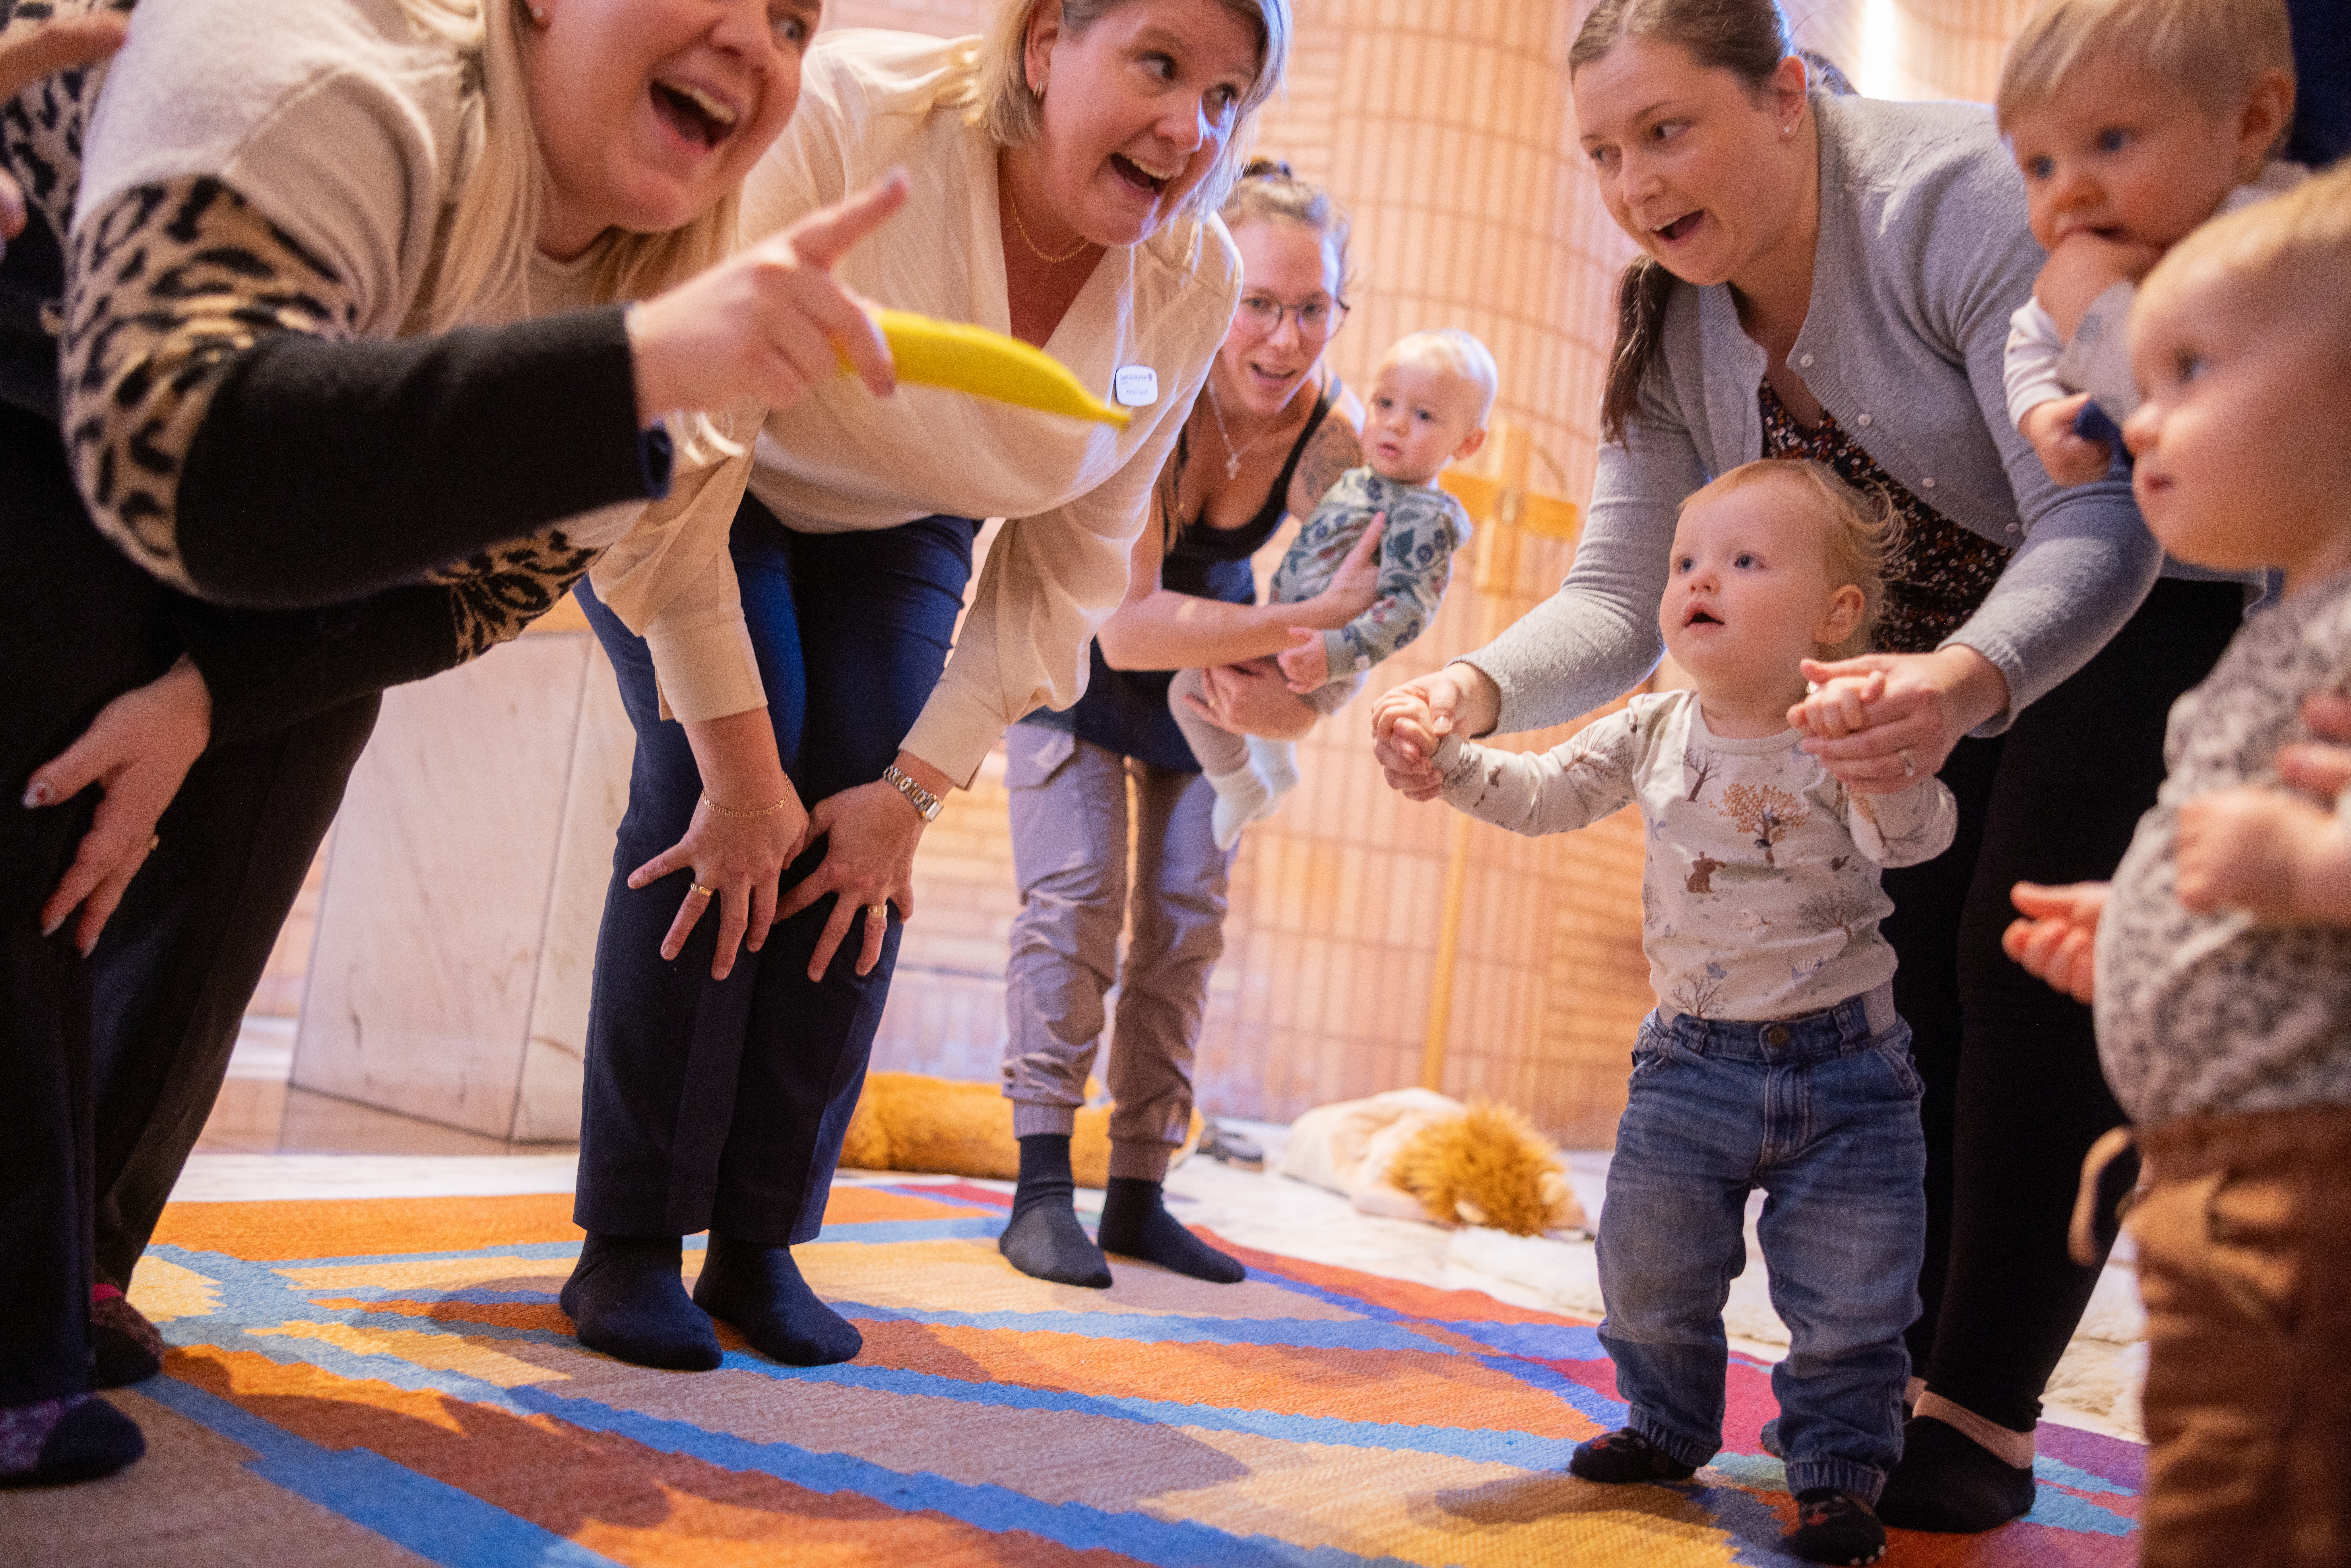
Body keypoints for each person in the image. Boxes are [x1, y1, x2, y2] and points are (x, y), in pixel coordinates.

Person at [2, 0, 909, 1487]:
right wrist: (620, 370)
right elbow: (174, 450)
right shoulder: (329, 77)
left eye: (797, 18)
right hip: (49, 295)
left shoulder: (641, 288)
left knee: (293, 730)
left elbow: (471, 598)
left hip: (225, 421)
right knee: (47, 716)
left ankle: (82, 1247)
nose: (756, 39)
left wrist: (206, 701)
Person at [1371, 0, 2248, 1532]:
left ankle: (1980, 1400)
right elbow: (1619, 590)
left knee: (2015, 957)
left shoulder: (1950, 200)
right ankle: (1888, 1366)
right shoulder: (1674, 313)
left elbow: (2104, 513)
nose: (1636, 183)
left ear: (1785, 94)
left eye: (1668, 131)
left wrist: (1973, 675)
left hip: (2133, 599)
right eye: (1603, 154)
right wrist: (1472, 685)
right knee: (1892, 988)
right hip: (1901, 661)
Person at [554, 0, 1293, 1376]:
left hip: (902, 529)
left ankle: (761, 1239)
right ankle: (634, 1238)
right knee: (722, 788)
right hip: (701, 476)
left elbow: (1071, 563)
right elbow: (684, 436)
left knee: (856, 829)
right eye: (1158, 65)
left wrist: (914, 786)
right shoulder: (847, 117)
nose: (1192, 128)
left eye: (1227, 96)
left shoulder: (1188, 276)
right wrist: (736, 764)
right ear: (1042, 45)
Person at [1383, 457, 1955, 1565]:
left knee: (1853, 1302)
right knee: (1647, 1273)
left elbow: (1918, 838)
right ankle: (1667, 1422)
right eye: (1687, 560)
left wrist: (1880, 768)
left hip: (1851, 1073)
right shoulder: (1653, 729)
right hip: (1689, 1067)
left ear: (1834, 615)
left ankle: (1838, 1473)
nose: (1702, 578)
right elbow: (1546, 793)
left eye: (1744, 561)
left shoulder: (1840, 731)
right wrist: (1447, 760)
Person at [2000, 167, 2351, 1567]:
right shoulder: (2284, 623)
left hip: (2304, 1181)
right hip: (2212, 1164)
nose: (2141, 419)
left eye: (2193, 370)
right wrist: (2143, 919)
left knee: (2252, 1501)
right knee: (2218, 1450)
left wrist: (2305, 864)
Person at [994, 160, 1372, 1290]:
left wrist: (1301, 699)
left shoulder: (1333, 433)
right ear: (1214, 287)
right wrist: (1288, 623)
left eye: (1312, 309)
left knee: (1184, 918)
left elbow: (1365, 618)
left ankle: (1141, 1189)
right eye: (1260, 302)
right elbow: (1125, 630)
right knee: (1076, 899)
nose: (1285, 338)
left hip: (1204, 673)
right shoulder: (1148, 377)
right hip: (1078, 636)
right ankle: (1040, 1188)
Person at [1170, 326, 1490, 848]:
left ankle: (1241, 787)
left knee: (1187, 689)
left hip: (1326, 655)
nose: (1395, 424)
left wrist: (1334, 654)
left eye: (1424, 415)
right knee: (1210, 682)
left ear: (1469, 442)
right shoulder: (1361, 480)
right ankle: (1274, 764)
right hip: (1293, 632)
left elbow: (1408, 611)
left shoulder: (1425, 519)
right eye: (1385, 403)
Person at [1997, 0, 2299, 484]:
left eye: (2112, 141)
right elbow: (2030, 340)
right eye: (2041, 167)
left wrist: (2091, 303)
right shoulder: (2109, 251)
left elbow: (2201, 429)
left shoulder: (2286, 245)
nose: (2068, 191)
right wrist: (2039, 409)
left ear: (2252, 121)